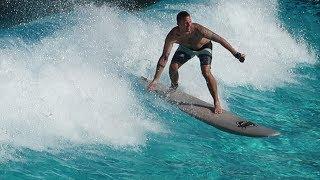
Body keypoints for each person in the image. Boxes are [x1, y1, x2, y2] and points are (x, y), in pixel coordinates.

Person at [147, 11, 245, 114]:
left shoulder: (199, 30)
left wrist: (236, 54)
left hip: (204, 48)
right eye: (186, 23)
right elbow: (164, 57)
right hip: (186, 48)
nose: (189, 25)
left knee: (206, 72)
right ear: (178, 24)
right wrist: (155, 80)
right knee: (173, 67)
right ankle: (174, 86)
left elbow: (220, 40)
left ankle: (216, 101)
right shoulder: (173, 35)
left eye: (190, 21)